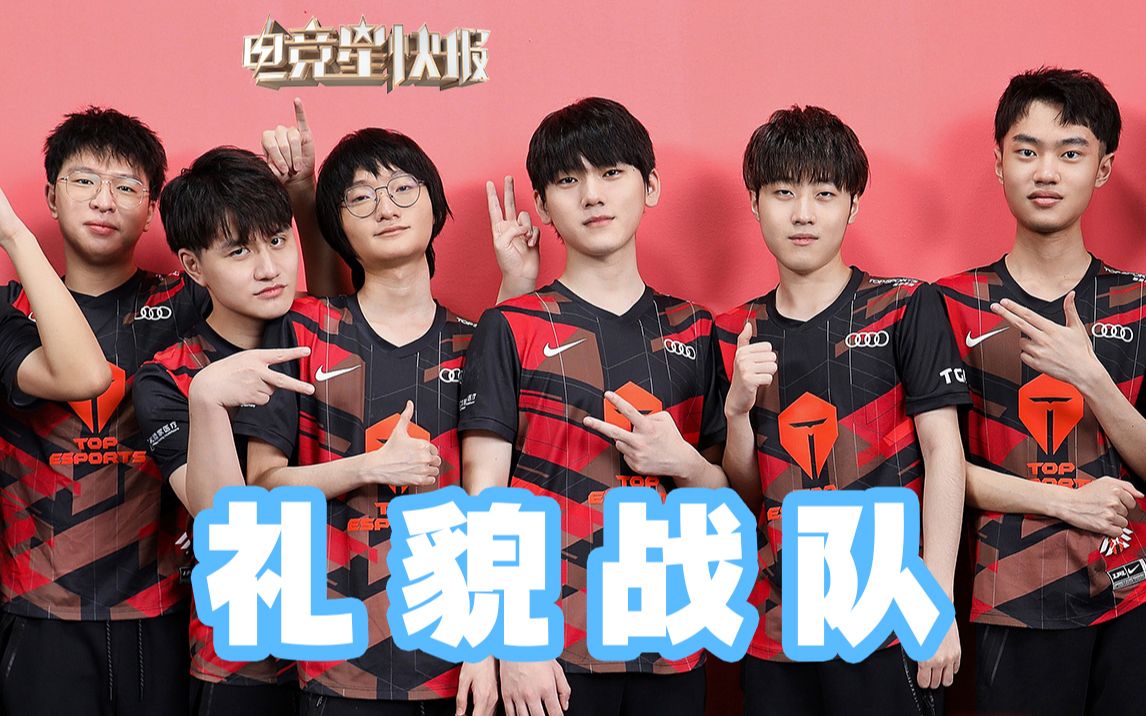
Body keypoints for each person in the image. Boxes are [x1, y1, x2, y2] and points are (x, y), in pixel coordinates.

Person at [0, 104, 343, 716]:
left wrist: (301, 200)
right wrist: (13, 234)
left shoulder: (188, 298)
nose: (104, 200)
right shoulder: (11, 311)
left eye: (126, 186)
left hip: (162, 609)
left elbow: (315, 316)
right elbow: (82, 375)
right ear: (50, 197)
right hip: (39, 608)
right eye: (84, 181)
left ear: (151, 208)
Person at [236, 124, 535, 716]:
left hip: (459, 666)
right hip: (337, 665)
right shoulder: (302, 331)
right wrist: (368, 467)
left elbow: (501, 499)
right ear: (337, 227)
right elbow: (261, 488)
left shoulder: (479, 341)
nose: (386, 208)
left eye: (402, 189)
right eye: (360, 197)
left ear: (435, 206)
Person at [458, 97, 728, 716]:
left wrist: (683, 462)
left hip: (674, 645)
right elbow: (483, 492)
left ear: (650, 186)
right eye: (567, 180)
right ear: (543, 205)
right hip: (553, 654)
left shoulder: (695, 327)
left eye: (611, 173)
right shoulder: (511, 324)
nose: (592, 196)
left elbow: (722, 493)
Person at [716, 105, 968, 716]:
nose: (803, 213)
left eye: (824, 194)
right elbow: (743, 491)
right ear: (754, 202)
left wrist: (936, 603)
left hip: (888, 620)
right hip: (776, 627)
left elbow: (944, 453)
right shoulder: (731, 332)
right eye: (783, 192)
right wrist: (739, 412)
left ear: (853, 204)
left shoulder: (906, 306)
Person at [936, 67, 1146, 715]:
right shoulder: (949, 304)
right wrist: (1067, 502)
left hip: (1131, 596)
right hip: (1012, 598)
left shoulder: (1138, 303)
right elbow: (936, 470)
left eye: (1070, 153)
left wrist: (1092, 378)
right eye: (1027, 151)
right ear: (1000, 163)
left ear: (1103, 168)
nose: (1046, 172)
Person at [132, 146, 315, 714]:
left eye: (278, 241)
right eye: (239, 251)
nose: (269, 268)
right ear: (193, 266)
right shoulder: (167, 376)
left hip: (348, 647)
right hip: (238, 656)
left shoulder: (328, 331)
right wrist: (208, 399)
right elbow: (222, 523)